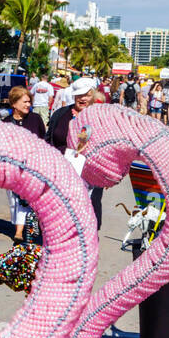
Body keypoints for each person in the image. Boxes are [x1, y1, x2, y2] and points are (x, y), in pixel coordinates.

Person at [46, 76, 103, 227]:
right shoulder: (60, 114)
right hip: (61, 173)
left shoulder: (100, 117)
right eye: (79, 95)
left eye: (87, 95)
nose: (83, 98)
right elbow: (48, 140)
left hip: (90, 175)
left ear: (94, 96)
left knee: (87, 220)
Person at [4, 86, 46, 240]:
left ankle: (24, 230)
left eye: (30, 102)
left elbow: (44, 140)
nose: (28, 105)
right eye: (25, 102)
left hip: (34, 167)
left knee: (31, 199)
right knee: (15, 200)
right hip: (13, 169)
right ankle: (19, 230)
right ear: (14, 104)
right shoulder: (6, 123)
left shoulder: (35, 119)